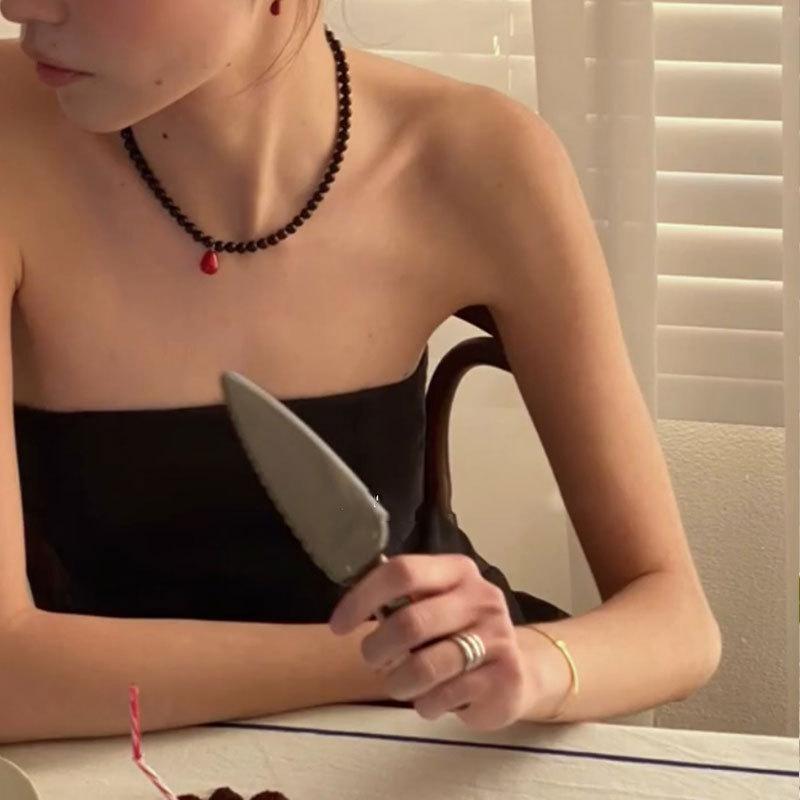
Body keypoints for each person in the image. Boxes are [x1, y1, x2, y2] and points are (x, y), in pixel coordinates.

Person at [0, 0, 721, 745]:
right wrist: (388, 663)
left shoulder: (478, 155)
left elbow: (676, 622)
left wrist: (529, 662)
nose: (19, 6)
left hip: (418, 751)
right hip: (108, 758)